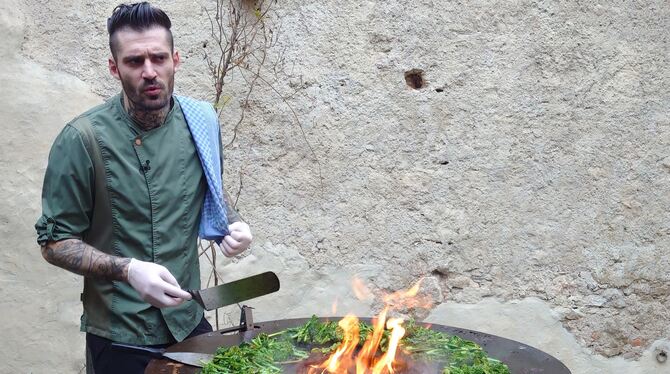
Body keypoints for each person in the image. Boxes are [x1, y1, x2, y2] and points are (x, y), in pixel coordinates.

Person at [35, 2, 252, 373]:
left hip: (188, 322)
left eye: (159, 58)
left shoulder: (201, 121)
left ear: (176, 60)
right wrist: (129, 269)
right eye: (135, 61)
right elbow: (54, 243)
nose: (150, 71)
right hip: (120, 335)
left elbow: (207, 189)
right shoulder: (81, 139)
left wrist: (232, 224)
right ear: (114, 67)